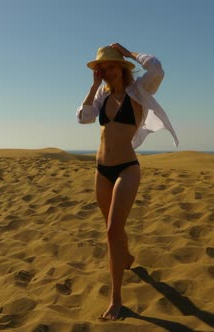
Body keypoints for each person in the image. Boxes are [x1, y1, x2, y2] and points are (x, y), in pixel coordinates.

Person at [76, 43, 179, 320]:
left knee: (111, 230)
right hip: (101, 170)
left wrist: (129, 52)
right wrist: (93, 85)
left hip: (127, 168)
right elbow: (83, 118)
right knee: (113, 229)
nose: (106, 72)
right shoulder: (101, 95)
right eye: (101, 68)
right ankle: (127, 255)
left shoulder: (139, 91)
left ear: (121, 68)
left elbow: (156, 67)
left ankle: (116, 299)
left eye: (109, 67)